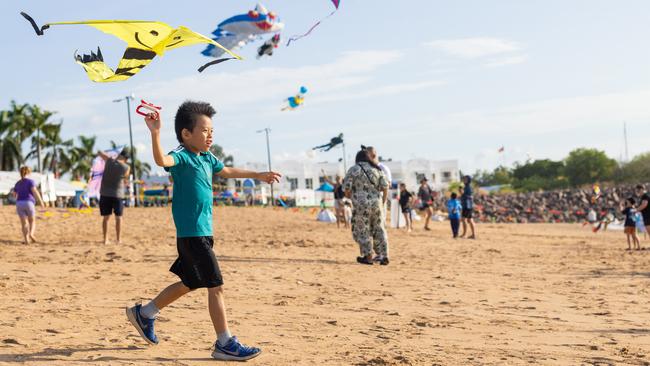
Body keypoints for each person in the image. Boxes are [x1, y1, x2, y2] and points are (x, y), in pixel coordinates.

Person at [126, 101, 281, 361]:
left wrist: (258, 174)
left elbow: (227, 171)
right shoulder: (182, 156)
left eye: (212, 131)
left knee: (191, 282)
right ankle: (225, 343)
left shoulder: (207, 157)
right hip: (192, 235)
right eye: (205, 130)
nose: (210, 135)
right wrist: (155, 133)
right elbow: (161, 159)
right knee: (216, 286)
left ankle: (144, 314)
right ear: (187, 134)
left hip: (203, 233)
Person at [343, 147, 389, 265]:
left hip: (360, 204)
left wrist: (351, 196)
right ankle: (383, 255)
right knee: (379, 228)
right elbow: (385, 186)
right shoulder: (377, 169)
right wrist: (383, 201)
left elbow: (346, 188)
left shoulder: (354, 169)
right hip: (377, 204)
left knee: (363, 229)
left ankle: (368, 256)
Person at [97, 149, 130, 244]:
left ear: (119, 155)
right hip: (118, 194)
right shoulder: (126, 167)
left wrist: (110, 154)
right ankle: (118, 239)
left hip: (105, 193)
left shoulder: (109, 160)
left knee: (106, 218)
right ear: (126, 159)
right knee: (119, 217)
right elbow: (125, 179)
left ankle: (105, 239)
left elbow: (99, 152)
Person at [13, 166, 46, 244]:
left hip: (19, 203)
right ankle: (31, 234)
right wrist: (41, 201)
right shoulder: (30, 181)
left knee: (24, 223)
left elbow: (14, 194)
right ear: (28, 173)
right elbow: (35, 191)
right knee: (32, 221)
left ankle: (26, 240)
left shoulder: (18, 183)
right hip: (29, 202)